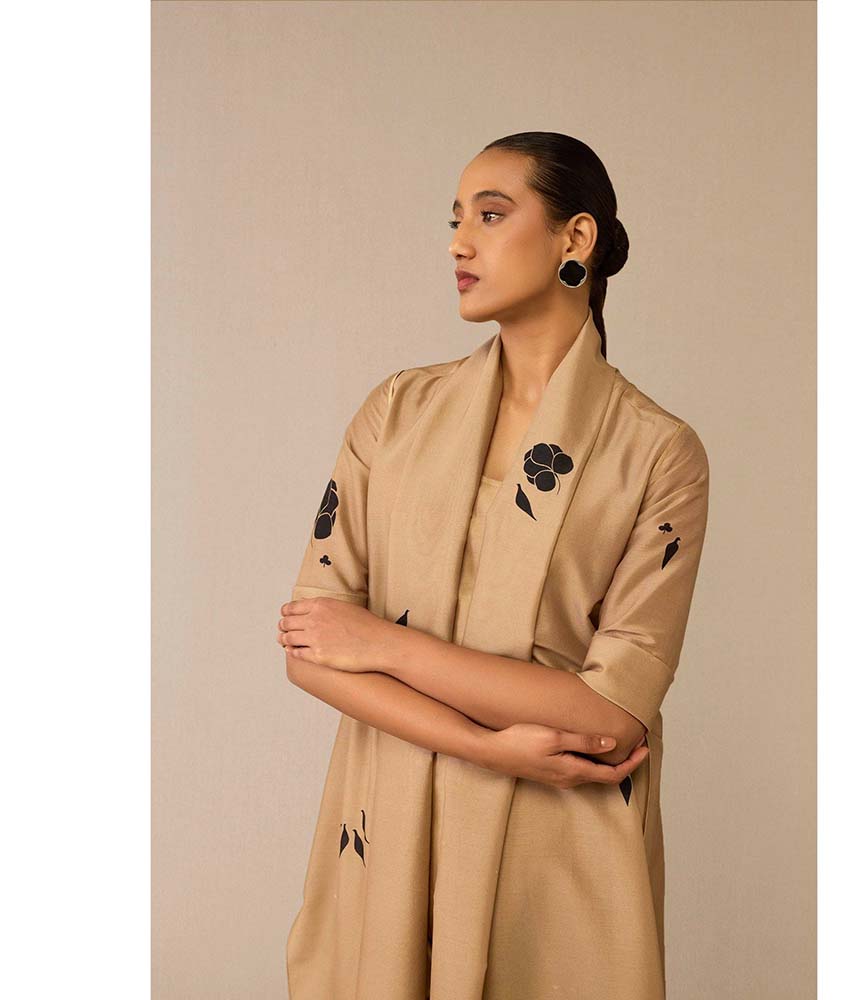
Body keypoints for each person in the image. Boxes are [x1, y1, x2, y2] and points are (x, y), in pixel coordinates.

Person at [277, 131, 710, 1000]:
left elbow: (612, 714)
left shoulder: (658, 453)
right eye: (455, 220)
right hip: (390, 829)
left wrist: (383, 645)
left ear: (574, 237)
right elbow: (311, 648)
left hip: (557, 851)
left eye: (491, 214)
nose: (458, 243)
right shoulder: (397, 412)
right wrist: (491, 746)